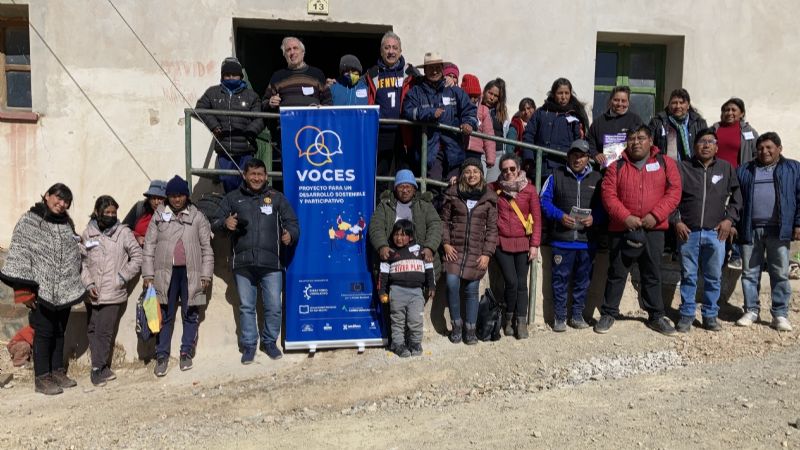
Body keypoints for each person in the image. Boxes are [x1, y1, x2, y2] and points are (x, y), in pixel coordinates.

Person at [594, 125, 682, 335]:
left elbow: (674, 191)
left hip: (654, 229)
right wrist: (625, 217)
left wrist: (655, 215)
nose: (636, 142)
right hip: (622, 228)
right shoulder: (616, 165)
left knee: (652, 273)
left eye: (641, 138)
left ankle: (656, 316)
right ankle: (608, 313)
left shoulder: (664, 163)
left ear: (650, 141)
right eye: (632, 138)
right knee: (617, 273)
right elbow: (608, 195)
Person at [212, 159, 299, 363]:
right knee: (246, 307)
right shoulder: (233, 198)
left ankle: (269, 342)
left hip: (272, 264)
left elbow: (292, 223)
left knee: (273, 306)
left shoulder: (277, 198)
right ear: (244, 175)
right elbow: (215, 222)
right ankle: (249, 345)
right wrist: (225, 223)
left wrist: (291, 235)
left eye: (260, 174)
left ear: (266, 176)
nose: (257, 178)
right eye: (253, 174)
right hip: (243, 264)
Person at [0, 183, 84, 395]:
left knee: (59, 332)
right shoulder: (30, 221)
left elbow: (72, 252)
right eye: (58, 197)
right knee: (44, 333)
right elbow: (20, 257)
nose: (61, 203)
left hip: (64, 290)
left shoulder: (67, 223)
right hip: (40, 292)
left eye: (66, 201)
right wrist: (24, 293)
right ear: (47, 196)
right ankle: (41, 377)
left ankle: (57, 371)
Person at [143, 175, 214, 377]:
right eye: (173, 195)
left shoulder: (197, 216)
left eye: (180, 195)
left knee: (191, 313)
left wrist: (206, 275)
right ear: (168, 196)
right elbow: (149, 247)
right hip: (165, 274)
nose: (176, 199)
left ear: (187, 196)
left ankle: (186, 352)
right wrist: (147, 274)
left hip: (193, 274)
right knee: (164, 314)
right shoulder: (159, 215)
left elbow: (207, 249)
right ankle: (162, 355)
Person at [673, 129, 742, 332]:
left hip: (716, 232)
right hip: (688, 232)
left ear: (716, 147)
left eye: (710, 141)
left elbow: (738, 197)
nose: (706, 145)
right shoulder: (683, 167)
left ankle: (710, 315)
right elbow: (671, 196)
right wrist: (676, 220)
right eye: (702, 141)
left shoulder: (726, 168)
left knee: (714, 276)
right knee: (688, 275)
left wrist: (729, 219)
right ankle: (686, 314)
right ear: (695, 146)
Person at [735, 132, 800, 331]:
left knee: (779, 272)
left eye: (769, 147)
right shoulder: (745, 170)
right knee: (749, 273)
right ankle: (751, 310)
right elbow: (737, 199)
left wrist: (797, 224)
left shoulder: (793, 168)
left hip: (778, 229)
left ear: (779, 149)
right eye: (761, 148)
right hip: (750, 228)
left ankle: (779, 314)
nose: (765, 151)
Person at [540, 140, 603, 332]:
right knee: (559, 280)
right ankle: (559, 317)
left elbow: (605, 206)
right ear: (568, 156)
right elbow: (543, 201)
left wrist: (595, 218)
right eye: (574, 155)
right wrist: (559, 216)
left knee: (583, 281)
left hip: (586, 241)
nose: (577, 159)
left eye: (582, 155)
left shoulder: (597, 178)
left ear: (588, 158)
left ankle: (577, 316)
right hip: (562, 240)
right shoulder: (555, 176)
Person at [80, 195, 143, 386]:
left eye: (113, 212)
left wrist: (121, 278)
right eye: (106, 212)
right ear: (97, 212)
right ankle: (99, 367)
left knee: (104, 330)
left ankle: (97, 368)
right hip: (92, 292)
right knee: (92, 328)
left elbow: (137, 257)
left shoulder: (123, 233)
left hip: (113, 292)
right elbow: (81, 262)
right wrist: (88, 284)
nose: (110, 215)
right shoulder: (88, 233)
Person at [441, 159, 498, 345]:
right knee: (451, 283)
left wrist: (487, 254)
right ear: (462, 174)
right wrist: (446, 244)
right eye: (467, 171)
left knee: (472, 289)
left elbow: (492, 229)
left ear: (481, 174)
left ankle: (470, 329)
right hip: (455, 250)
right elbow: (443, 221)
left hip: (476, 252)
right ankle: (456, 325)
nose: (471, 175)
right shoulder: (453, 194)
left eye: (475, 171)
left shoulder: (489, 198)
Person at [488, 153, 541, 339]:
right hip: (502, 242)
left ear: (518, 169)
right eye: (504, 170)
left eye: (512, 169)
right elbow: (475, 186)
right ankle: (508, 319)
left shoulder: (530, 190)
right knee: (511, 282)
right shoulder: (493, 188)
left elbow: (537, 218)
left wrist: (534, 245)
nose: (508, 172)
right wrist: (457, 179)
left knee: (521, 285)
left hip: (523, 243)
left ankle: (521, 322)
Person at [403, 51, 477, 182]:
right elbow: (408, 111)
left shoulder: (455, 91)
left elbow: (470, 110)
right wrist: (431, 113)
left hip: (454, 151)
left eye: (437, 68)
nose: (435, 71)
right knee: (434, 188)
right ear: (425, 70)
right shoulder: (416, 91)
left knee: (453, 190)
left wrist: (469, 123)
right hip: (429, 152)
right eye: (431, 68)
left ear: (442, 69)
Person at [195, 57, 266, 193]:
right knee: (227, 181)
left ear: (240, 76)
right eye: (227, 75)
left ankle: (245, 210)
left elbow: (260, 118)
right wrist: (214, 125)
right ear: (222, 76)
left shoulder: (251, 95)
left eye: (234, 75)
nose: (231, 78)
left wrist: (251, 132)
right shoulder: (213, 93)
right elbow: (200, 108)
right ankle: (232, 210)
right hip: (224, 147)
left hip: (245, 149)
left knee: (248, 182)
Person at [711, 97, 759, 270]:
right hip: (717, 177)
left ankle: (736, 254)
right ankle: (720, 253)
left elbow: (756, 154)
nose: (729, 113)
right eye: (726, 110)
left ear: (742, 113)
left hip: (739, 178)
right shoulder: (714, 129)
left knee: (738, 212)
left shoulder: (749, 132)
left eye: (734, 110)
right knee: (718, 214)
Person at [377, 219, 436, 358]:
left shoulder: (420, 251)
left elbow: (429, 269)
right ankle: (397, 344)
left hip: (416, 293)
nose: (399, 238)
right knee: (397, 321)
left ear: (410, 237)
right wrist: (382, 291)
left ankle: (415, 343)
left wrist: (431, 285)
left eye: (403, 235)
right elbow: (383, 275)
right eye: (396, 234)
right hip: (396, 292)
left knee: (416, 319)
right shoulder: (389, 253)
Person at [369, 169, 442, 279]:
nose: (405, 190)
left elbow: (435, 226)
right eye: (401, 187)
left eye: (408, 187)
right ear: (395, 189)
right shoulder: (385, 206)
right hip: (393, 260)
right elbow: (376, 226)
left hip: (419, 260)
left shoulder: (425, 205)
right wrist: (382, 246)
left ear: (414, 189)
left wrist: (429, 248)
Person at [365, 31, 420, 176]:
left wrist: (449, 79)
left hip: (405, 131)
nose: (391, 52)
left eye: (395, 48)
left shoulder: (411, 72)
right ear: (381, 51)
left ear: (400, 51)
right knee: (381, 174)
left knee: (405, 173)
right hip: (381, 131)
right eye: (387, 48)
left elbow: (429, 86)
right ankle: (380, 200)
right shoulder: (372, 74)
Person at [522, 77, 588, 180]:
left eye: (567, 93)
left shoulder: (575, 116)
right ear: (553, 94)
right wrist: (529, 158)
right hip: (541, 166)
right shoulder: (542, 112)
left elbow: (579, 142)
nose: (563, 97)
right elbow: (528, 135)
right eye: (560, 93)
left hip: (563, 169)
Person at [264, 36, 331, 109]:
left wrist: (322, 109)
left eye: (295, 48)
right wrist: (270, 103)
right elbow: (264, 103)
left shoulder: (317, 74)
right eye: (288, 50)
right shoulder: (277, 76)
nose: (292, 52)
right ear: (284, 55)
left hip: (313, 120)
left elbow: (328, 102)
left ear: (303, 52)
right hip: (287, 120)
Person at [587, 86, 643, 167]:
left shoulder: (636, 120)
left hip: (629, 168)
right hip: (604, 170)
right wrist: (595, 154)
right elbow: (590, 142)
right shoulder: (598, 122)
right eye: (616, 100)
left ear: (628, 103)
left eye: (623, 101)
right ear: (610, 101)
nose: (619, 104)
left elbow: (643, 142)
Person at [648, 88, 708, 162]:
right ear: (669, 104)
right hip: (666, 168)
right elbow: (649, 146)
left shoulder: (699, 123)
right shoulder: (658, 122)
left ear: (688, 105)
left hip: (692, 168)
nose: (678, 106)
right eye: (674, 103)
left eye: (681, 102)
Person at [463, 75, 496, 176]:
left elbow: (489, 135)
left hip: (475, 152)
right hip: (459, 149)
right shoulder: (459, 107)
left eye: (475, 96)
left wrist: (490, 158)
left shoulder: (483, 110)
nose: (473, 99)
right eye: (469, 96)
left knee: (473, 176)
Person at [122, 179, 167, 246]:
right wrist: (137, 237)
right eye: (153, 198)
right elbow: (124, 228)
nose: (156, 202)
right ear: (149, 198)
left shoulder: (170, 213)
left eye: (160, 198)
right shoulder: (140, 207)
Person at [483, 78, 508, 181]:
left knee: (491, 186)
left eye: (496, 96)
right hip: (482, 153)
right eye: (490, 93)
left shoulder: (501, 112)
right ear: (485, 91)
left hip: (498, 154)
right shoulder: (477, 107)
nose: (492, 98)